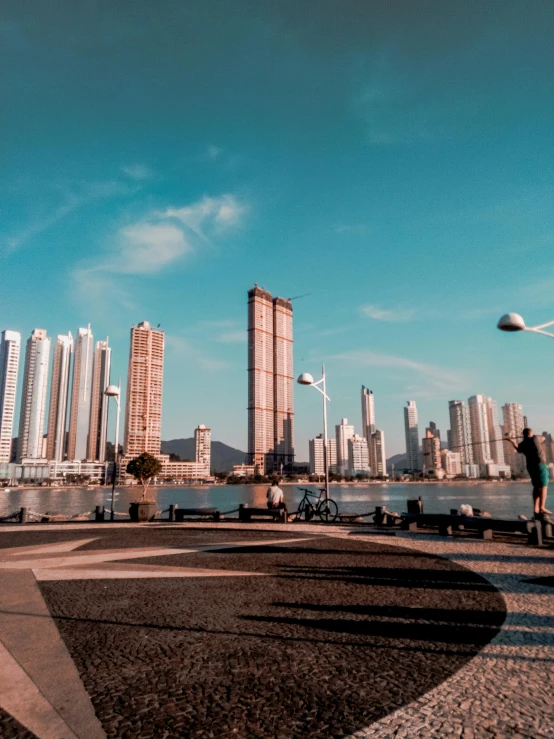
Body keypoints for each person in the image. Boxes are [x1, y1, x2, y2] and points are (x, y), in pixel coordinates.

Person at [506, 428, 551, 516]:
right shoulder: (535, 438)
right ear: (530, 433)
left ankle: (536, 509)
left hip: (530, 467)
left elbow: (518, 448)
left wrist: (511, 440)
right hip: (540, 465)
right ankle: (542, 507)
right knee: (544, 486)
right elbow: (543, 438)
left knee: (536, 487)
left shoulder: (523, 443)